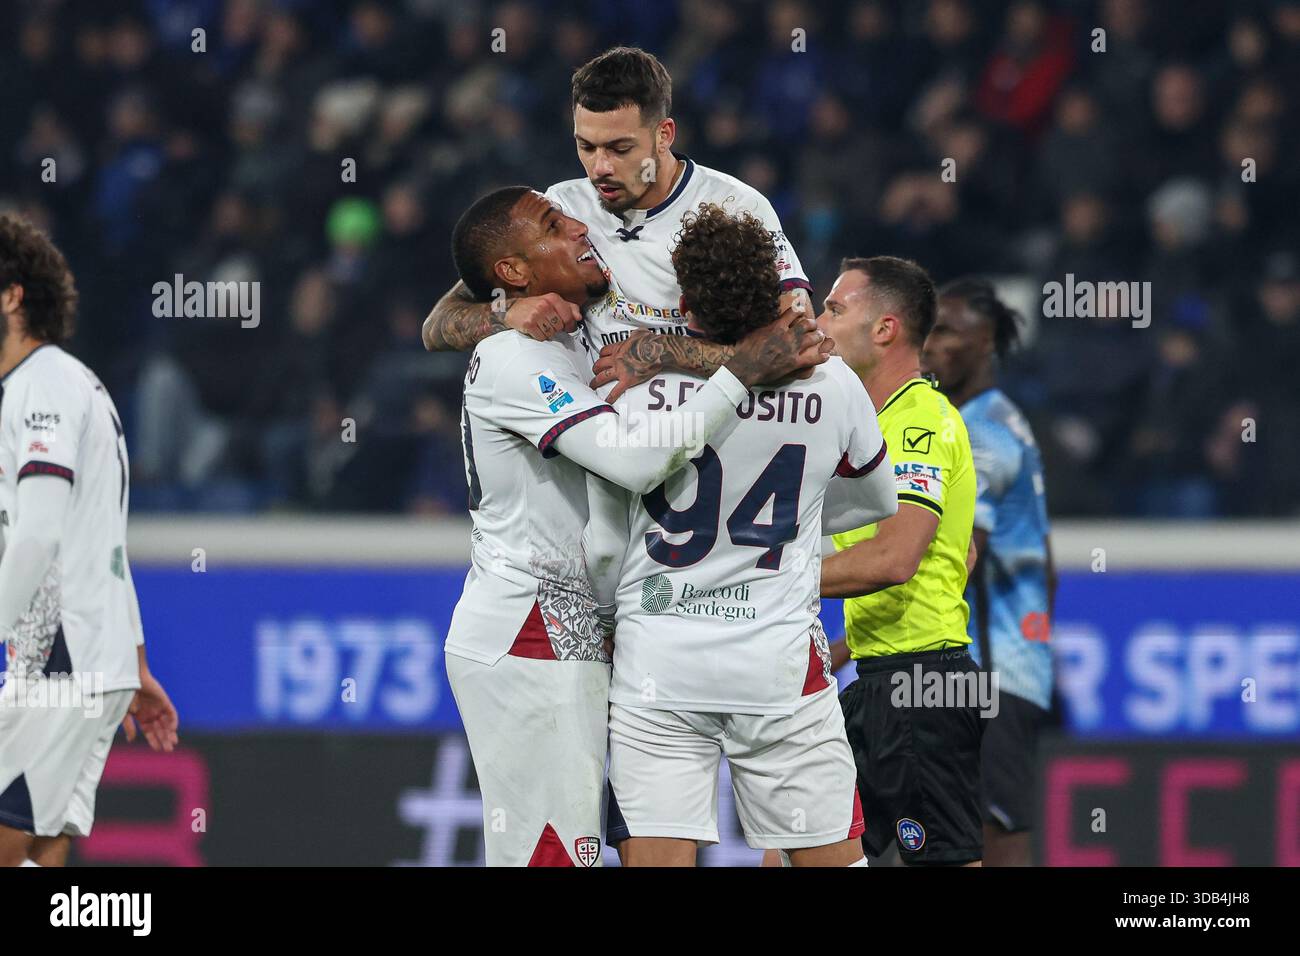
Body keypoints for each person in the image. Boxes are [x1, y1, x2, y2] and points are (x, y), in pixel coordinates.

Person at [444, 188, 826, 866]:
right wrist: (737, 374)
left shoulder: (553, 341)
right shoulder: (516, 359)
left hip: (566, 627)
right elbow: (637, 464)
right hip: (531, 624)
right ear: (514, 273)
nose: (579, 225)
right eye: (554, 226)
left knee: (570, 851)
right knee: (553, 855)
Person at [586, 205, 897, 867]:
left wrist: (609, 618)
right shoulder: (832, 380)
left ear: (684, 296)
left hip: (660, 663)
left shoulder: (635, 380)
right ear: (771, 287)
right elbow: (877, 502)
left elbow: (605, 540)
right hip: (778, 665)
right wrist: (803, 515)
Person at [422, 46, 813, 397]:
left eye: (620, 148)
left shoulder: (734, 206)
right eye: (586, 147)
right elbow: (438, 325)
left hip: (717, 444)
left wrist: (666, 352)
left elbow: (799, 343)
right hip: (608, 449)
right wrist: (504, 312)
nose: (600, 168)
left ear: (664, 135)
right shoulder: (562, 208)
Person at [0, 214, 178, 868]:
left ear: (12, 295)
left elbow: (41, 534)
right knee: (42, 847)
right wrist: (133, 664)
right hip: (83, 660)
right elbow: (106, 546)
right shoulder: (74, 384)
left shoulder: (40, 388)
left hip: (59, 659)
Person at [816, 256, 984, 866]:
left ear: (884, 329)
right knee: (804, 846)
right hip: (881, 682)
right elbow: (957, 552)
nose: (818, 319)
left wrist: (772, 582)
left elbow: (895, 558)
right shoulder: (874, 423)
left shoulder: (919, 421)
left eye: (835, 308)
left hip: (919, 688)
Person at [921, 276, 1056, 867]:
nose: (930, 346)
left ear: (986, 344)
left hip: (992, 671)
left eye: (946, 331)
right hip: (994, 663)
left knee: (995, 833)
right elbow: (1048, 570)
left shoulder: (983, 434)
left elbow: (956, 554)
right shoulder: (993, 418)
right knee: (954, 830)